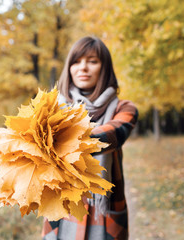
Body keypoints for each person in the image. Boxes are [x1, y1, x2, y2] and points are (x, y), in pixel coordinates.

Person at [42, 36, 138, 240]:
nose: (83, 68)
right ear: (69, 68)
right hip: (62, 209)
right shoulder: (52, 109)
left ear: (104, 68)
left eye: (92, 61)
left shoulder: (124, 108)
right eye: (76, 61)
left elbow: (113, 134)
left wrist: (63, 137)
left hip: (104, 209)